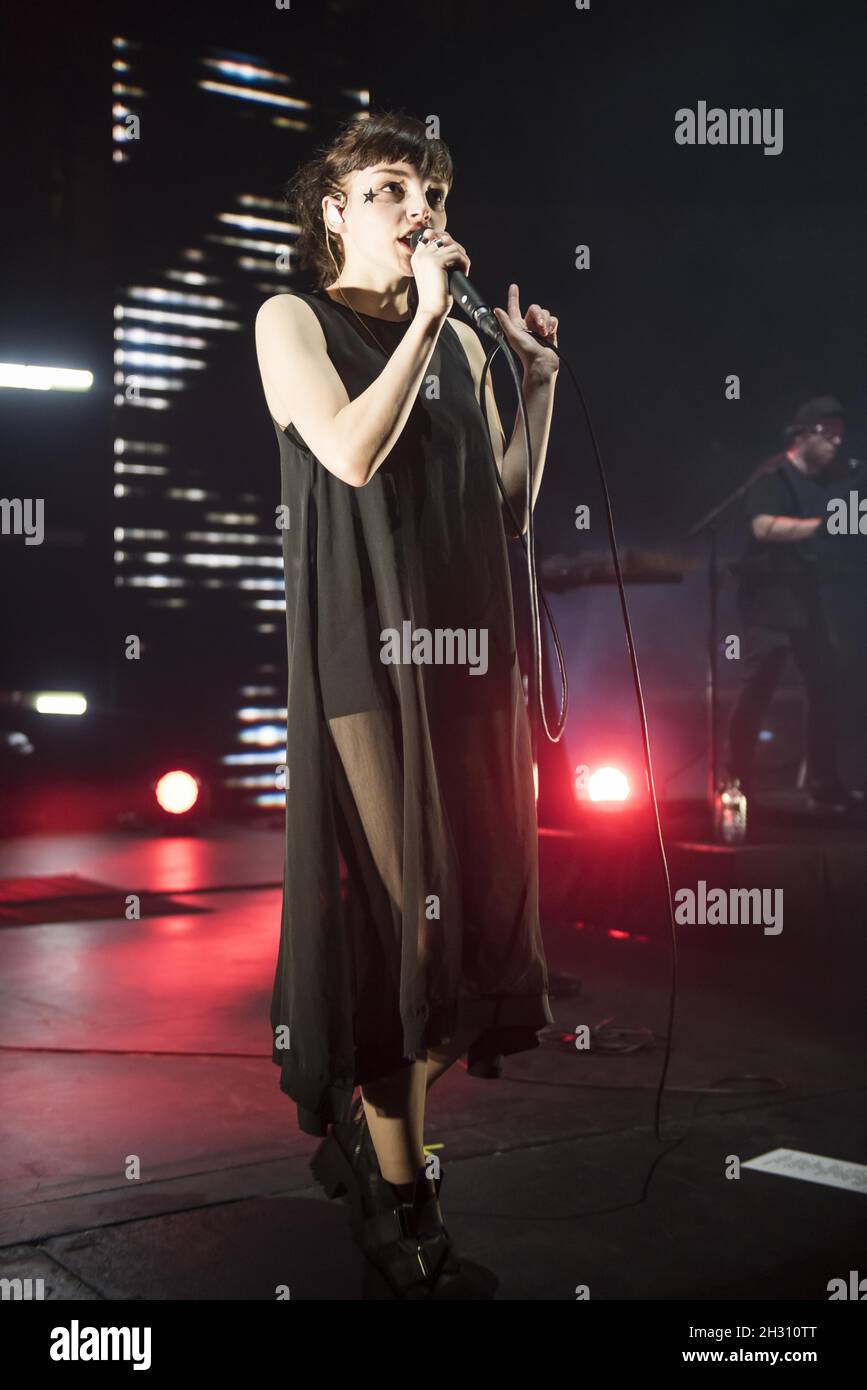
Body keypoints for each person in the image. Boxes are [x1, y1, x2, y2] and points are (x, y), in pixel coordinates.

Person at [254, 112, 560, 1297]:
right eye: (388, 186)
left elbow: (511, 506)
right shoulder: (296, 320)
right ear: (333, 208)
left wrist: (524, 381)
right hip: (364, 660)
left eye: (427, 185)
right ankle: (401, 1196)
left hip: (467, 653)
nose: (417, 204)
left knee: (477, 923)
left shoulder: (467, 341)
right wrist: (430, 320)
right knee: (407, 937)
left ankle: (374, 1147)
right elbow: (345, 452)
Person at [726, 395, 851, 811]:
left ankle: (824, 784)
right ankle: (737, 782)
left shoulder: (832, 481)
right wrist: (822, 526)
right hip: (768, 598)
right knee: (759, 685)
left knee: (826, 685)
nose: (837, 441)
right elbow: (762, 527)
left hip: (805, 599)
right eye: (828, 433)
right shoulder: (772, 478)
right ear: (804, 435)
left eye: (840, 434)